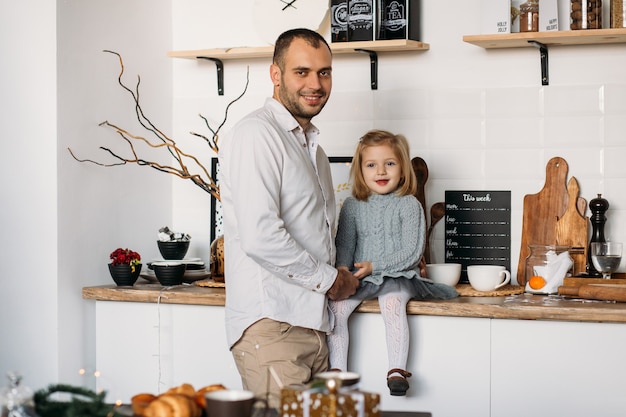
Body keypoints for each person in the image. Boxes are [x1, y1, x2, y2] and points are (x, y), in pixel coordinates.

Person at [218, 28, 360, 408]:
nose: (315, 84)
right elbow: (262, 236)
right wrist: (332, 281)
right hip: (273, 326)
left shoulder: (315, 151)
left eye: (324, 73)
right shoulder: (256, 134)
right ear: (276, 74)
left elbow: (316, 233)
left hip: (314, 326)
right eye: (302, 72)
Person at [327, 129, 459, 396]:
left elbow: (411, 252)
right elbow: (345, 244)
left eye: (390, 163)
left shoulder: (408, 205)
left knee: (392, 303)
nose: (381, 171)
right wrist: (343, 269)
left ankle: (397, 370)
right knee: (337, 309)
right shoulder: (352, 206)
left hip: (399, 276)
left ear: (402, 168)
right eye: (371, 165)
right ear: (361, 171)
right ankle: (337, 371)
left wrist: (375, 266)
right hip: (362, 277)